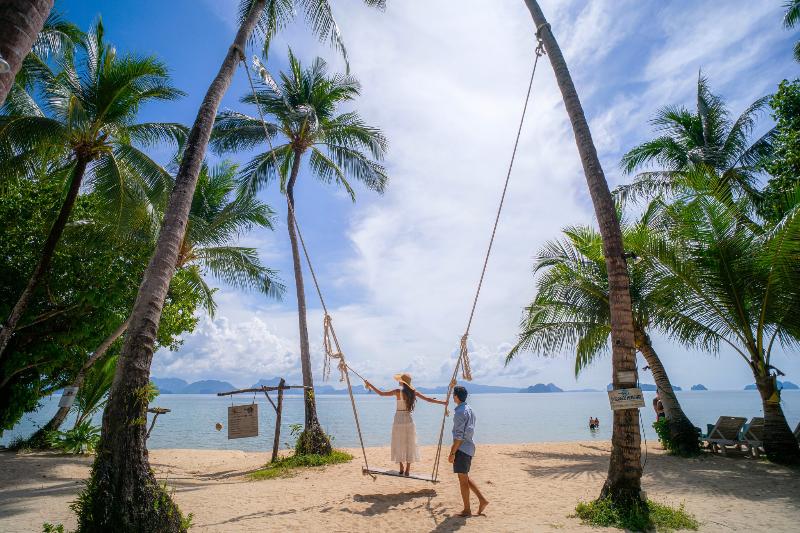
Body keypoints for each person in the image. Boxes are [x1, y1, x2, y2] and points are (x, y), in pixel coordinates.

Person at [364, 373, 446, 476]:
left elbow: (381, 393)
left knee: (398, 443)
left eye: (400, 380)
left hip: (398, 419)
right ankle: (407, 469)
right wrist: (443, 402)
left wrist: (369, 384)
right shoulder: (413, 393)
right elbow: (428, 400)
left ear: (402, 382)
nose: (398, 381)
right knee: (409, 443)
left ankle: (401, 467)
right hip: (408, 419)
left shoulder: (397, 392)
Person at [449, 385, 488, 517]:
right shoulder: (469, 409)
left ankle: (467, 510)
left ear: (456, 396)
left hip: (462, 448)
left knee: (463, 480)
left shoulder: (460, 412)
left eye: (453, 394)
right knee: (464, 477)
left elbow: (459, 437)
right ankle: (482, 500)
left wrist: (452, 453)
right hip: (469, 447)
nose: (452, 396)